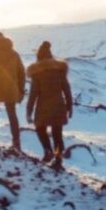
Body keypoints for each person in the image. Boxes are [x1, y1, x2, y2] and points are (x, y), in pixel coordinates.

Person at [26, 40, 73, 169]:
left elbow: (33, 95)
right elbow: (66, 89)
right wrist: (69, 106)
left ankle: (47, 150)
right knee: (57, 132)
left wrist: (29, 111)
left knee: (40, 128)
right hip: (59, 106)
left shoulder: (37, 73)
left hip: (43, 107)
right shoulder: (60, 71)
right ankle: (58, 159)